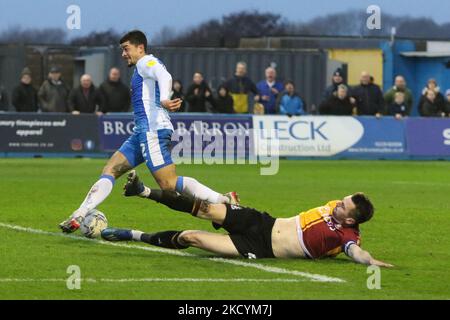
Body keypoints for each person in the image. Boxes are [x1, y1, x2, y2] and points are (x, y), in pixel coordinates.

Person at [59, 30, 238, 233]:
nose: (123, 54)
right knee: (110, 169)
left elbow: (165, 75)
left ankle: (223, 201)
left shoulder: (146, 62)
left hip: (153, 132)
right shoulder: (140, 68)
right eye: (122, 50)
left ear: (140, 47)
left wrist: (164, 99)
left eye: (126, 49)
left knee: (169, 186)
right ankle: (80, 214)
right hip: (141, 133)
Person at [101, 171, 393, 268]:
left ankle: (132, 234)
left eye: (344, 207)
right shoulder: (334, 207)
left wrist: (369, 261)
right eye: (342, 201)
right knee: (204, 208)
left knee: (192, 237)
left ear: (351, 221)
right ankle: (142, 191)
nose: (337, 205)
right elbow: (346, 202)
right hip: (262, 221)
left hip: (259, 246)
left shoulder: (347, 237)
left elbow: (356, 251)